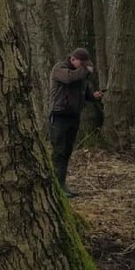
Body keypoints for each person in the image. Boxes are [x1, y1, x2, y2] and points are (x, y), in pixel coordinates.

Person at [48, 48, 104, 198]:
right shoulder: (60, 68)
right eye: (82, 63)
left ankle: (62, 183)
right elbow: (69, 78)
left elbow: (85, 95)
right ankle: (55, 186)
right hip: (59, 116)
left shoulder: (81, 77)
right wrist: (85, 71)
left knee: (66, 152)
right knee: (58, 152)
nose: (84, 67)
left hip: (74, 116)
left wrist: (95, 96)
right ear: (73, 59)